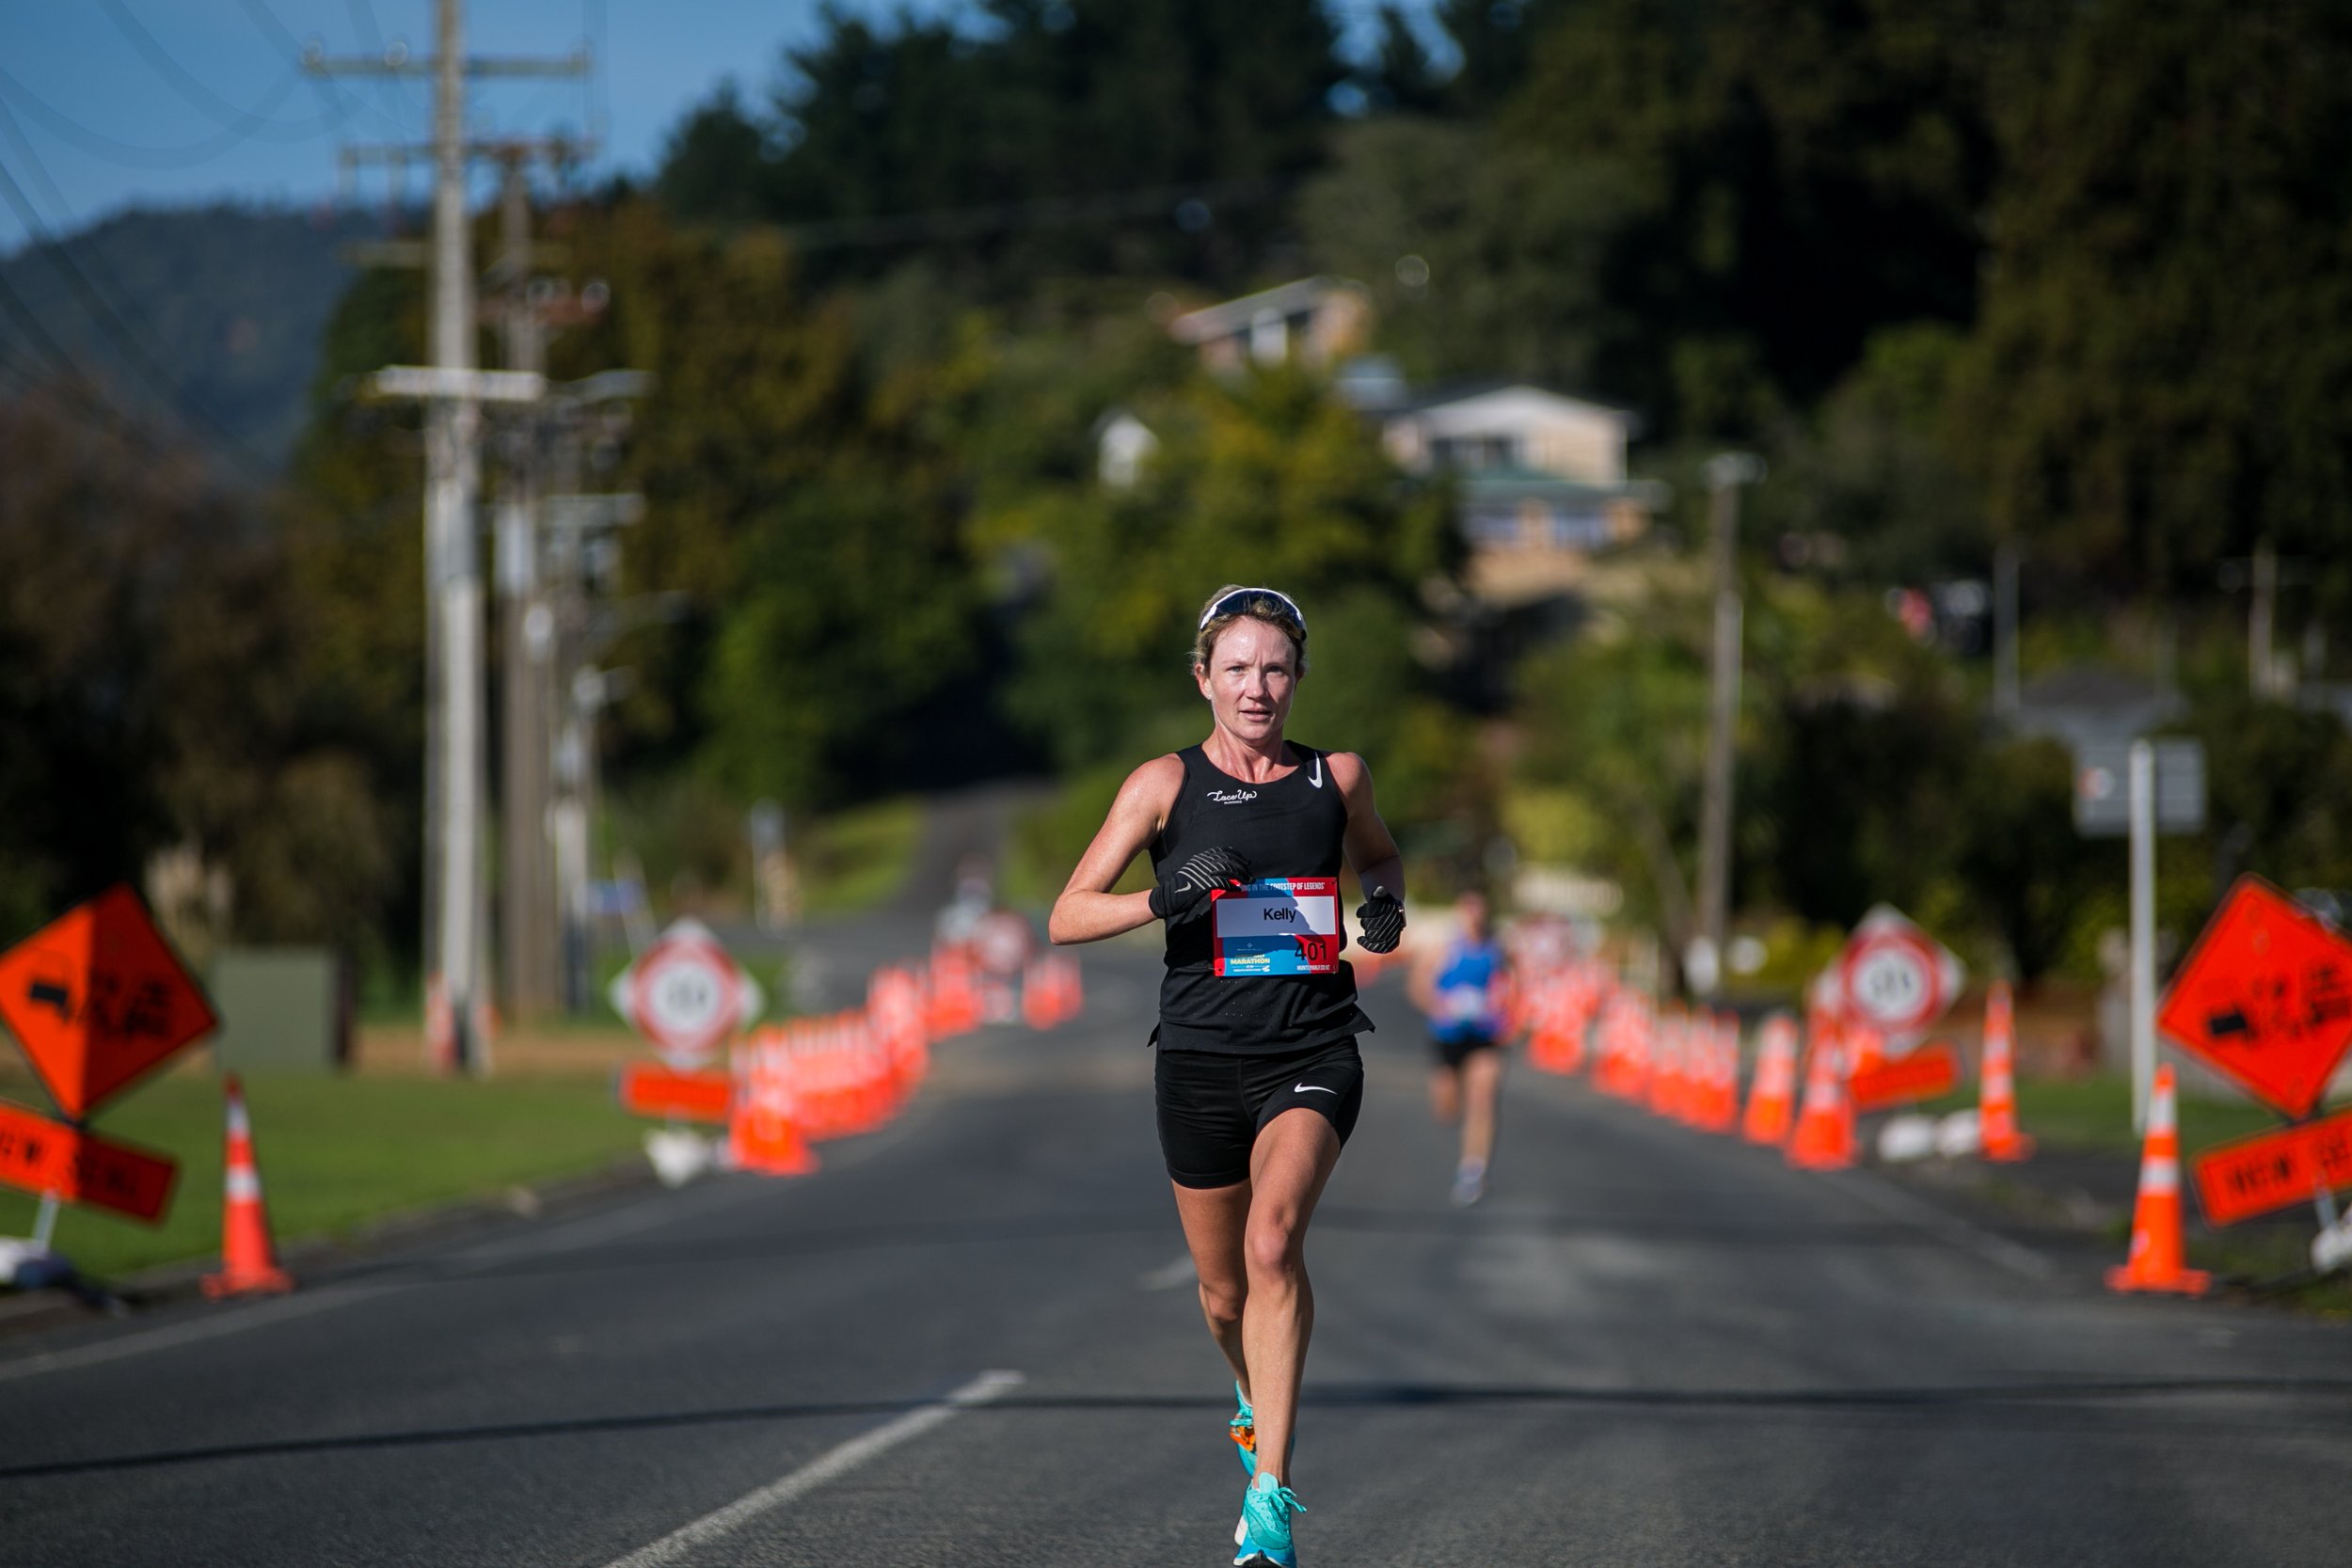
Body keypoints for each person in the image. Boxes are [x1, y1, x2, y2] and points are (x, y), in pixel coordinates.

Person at [1050, 585, 1406, 1568]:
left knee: (1272, 1242)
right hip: (1200, 1060)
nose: (1257, 687)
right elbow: (1066, 914)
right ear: (1203, 677)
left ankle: (1269, 1496)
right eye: (1237, 668)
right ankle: (1249, 1387)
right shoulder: (1163, 783)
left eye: (1276, 668)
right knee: (1221, 1294)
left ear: (1299, 676)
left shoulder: (1336, 775)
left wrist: (1385, 904)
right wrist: (1160, 896)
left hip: (1314, 1047)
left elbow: (1379, 857)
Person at [1408, 890, 1510, 1206]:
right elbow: (1417, 986)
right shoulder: (1444, 949)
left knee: (1483, 1097)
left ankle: (1473, 1172)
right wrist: (1440, 1006)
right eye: (1469, 912)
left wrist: (1502, 1009)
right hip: (1448, 1037)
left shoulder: (1497, 949)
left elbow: (1512, 987)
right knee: (1447, 1108)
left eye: (1480, 912)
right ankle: (1456, 1098)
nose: (1474, 919)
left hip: (1484, 1036)